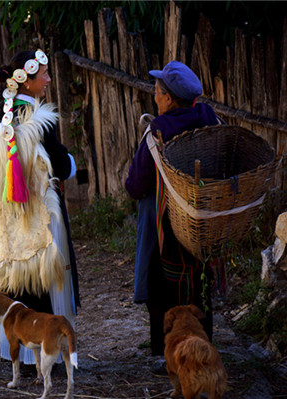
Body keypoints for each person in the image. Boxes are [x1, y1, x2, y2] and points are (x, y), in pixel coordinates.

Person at [0, 49, 80, 364]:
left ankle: (17, 353)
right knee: (42, 272)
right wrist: (70, 162)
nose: (47, 79)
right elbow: (59, 163)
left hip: (9, 212)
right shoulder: (37, 117)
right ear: (26, 80)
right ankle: (46, 354)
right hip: (41, 211)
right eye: (42, 74)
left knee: (16, 272)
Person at [125, 60, 221, 357]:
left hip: (166, 225)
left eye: (157, 91)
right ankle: (204, 344)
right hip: (203, 220)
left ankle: (162, 351)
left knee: (160, 286)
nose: (154, 96)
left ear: (168, 98)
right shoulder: (210, 118)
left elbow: (136, 185)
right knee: (200, 281)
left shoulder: (159, 130)